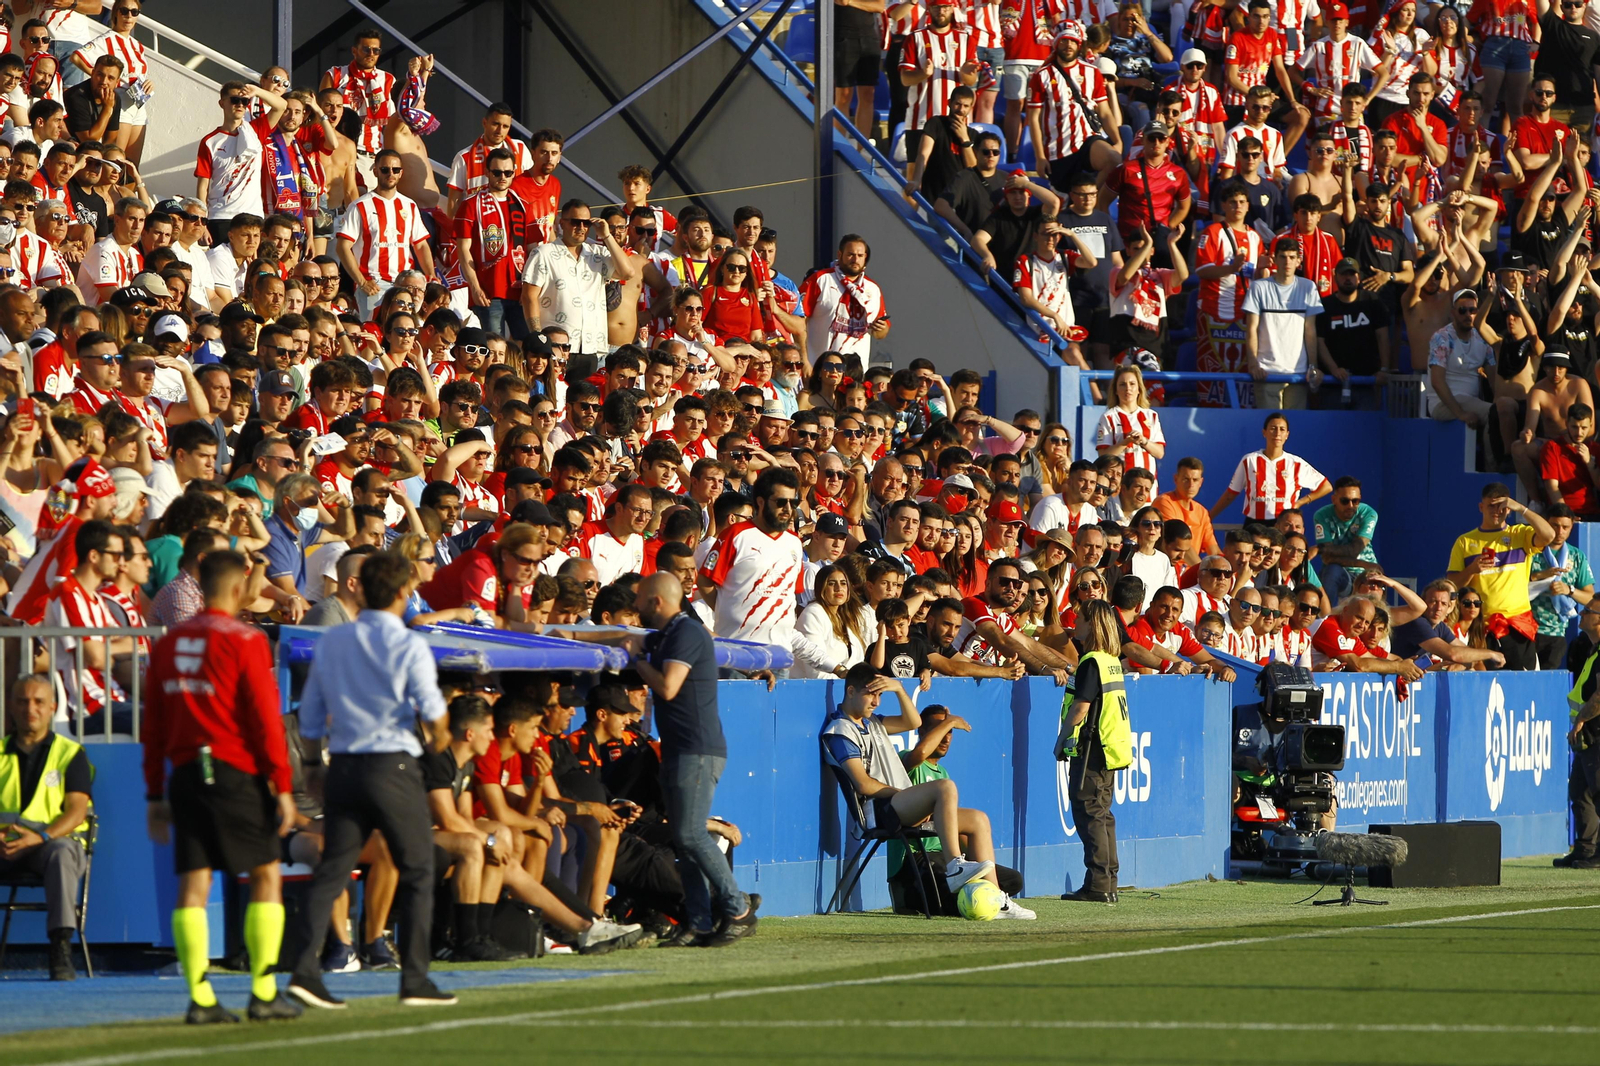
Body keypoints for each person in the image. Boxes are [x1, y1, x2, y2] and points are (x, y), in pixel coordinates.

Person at [283, 552, 456, 1009]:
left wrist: (315, 768)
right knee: (418, 867)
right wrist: (439, 739)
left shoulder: (334, 641)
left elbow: (311, 713)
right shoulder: (407, 644)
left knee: (333, 869)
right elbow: (433, 713)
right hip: (392, 766)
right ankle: (414, 978)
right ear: (401, 592)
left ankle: (304, 972)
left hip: (343, 765)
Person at [143, 550, 302, 1023]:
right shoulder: (246, 639)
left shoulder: (169, 643)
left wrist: (154, 793)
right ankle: (264, 992)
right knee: (267, 873)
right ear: (237, 589)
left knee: (194, 882)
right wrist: (282, 784)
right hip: (235, 772)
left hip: (187, 773)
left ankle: (200, 998)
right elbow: (264, 720)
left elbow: (154, 724)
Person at [623, 572, 758, 946]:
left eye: (640, 599)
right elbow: (623, 640)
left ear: (656, 601)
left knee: (689, 833)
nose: (636, 606)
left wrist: (637, 661)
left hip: (696, 750)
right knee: (684, 840)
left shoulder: (686, 632)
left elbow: (668, 686)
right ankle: (698, 922)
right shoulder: (670, 634)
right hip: (681, 749)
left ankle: (738, 909)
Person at [822, 663, 1009, 903]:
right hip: (877, 811)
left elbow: (913, 723)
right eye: (871, 694)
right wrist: (905, 795)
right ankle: (955, 866)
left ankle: (997, 899)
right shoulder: (840, 731)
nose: (876, 702)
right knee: (945, 787)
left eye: (880, 695)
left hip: (898, 804)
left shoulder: (872, 722)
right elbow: (863, 785)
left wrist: (899, 689)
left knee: (978, 819)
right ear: (850, 691)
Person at [0, 675, 93, 982]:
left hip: (48, 845)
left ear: (52, 707)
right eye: (23, 701)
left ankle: (60, 947)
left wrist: (39, 837)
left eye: (39, 702)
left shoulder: (70, 753)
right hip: (5, 845)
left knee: (62, 853)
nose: (31, 709)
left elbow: (77, 811)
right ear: (11, 706)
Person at [1057, 600, 1131, 904]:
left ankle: (1098, 884)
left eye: (1080, 618)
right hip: (1109, 748)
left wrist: (1062, 738)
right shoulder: (1111, 660)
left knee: (1090, 813)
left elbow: (1081, 706)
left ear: (1092, 624)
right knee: (1103, 814)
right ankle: (1108, 882)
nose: (1075, 622)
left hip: (1092, 748)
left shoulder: (1091, 661)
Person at [1444, 483, 1558, 670]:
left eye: (1502, 506)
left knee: (1523, 681)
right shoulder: (1464, 541)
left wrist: (1521, 508)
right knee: (1484, 682)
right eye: (1491, 506)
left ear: (1509, 508)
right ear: (1481, 507)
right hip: (1480, 627)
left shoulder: (1520, 534)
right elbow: (1451, 586)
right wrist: (1472, 569)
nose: (1497, 511)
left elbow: (1549, 535)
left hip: (1516, 625)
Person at [1210, 411, 1332, 521]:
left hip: (1283, 524)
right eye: (1273, 428)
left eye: (1282, 429)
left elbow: (1326, 486)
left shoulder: (1296, 463)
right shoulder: (1250, 460)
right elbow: (1231, 494)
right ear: (1264, 432)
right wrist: (1209, 517)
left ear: (1287, 435)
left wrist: (1301, 502)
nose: (1277, 433)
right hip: (1255, 525)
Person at [1311, 476, 1379, 605]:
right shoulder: (1321, 515)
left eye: (1355, 501)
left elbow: (1355, 550)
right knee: (1332, 571)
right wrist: (1361, 563)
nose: (1351, 506)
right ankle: (1326, 615)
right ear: (1334, 499)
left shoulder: (1368, 513)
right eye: (1345, 501)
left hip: (1365, 574)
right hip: (1339, 573)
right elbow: (1327, 558)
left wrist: (1323, 549)